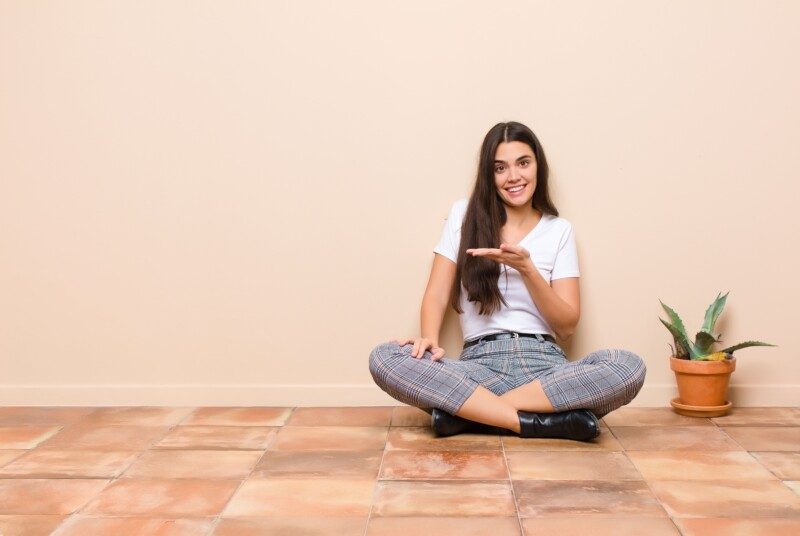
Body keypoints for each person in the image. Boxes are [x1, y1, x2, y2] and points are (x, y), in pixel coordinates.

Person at [368, 121, 646, 441]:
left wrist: (527, 270)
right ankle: (533, 423)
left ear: (538, 166)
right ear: (490, 176)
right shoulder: (463, 215)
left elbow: (567, 326)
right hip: (478, 368)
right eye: (500, 168)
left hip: (545, 370)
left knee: (627, 367)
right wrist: (428, 339)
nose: (513, 176)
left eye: (523, 163)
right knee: (384, 358)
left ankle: (471, 415)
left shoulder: (559, 230)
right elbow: (437, 293)